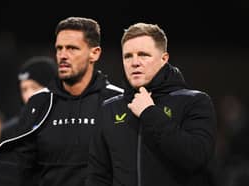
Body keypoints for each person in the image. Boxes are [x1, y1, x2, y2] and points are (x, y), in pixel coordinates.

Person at [0, 17, 123, 186]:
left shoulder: (117, 101)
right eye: (59, 49)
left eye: (72, 48)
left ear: (94, 53)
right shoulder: (39, 103)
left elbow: (129, 167)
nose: (63, 55)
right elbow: (19, 167)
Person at [86, 23, 217, 186]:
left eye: (143, 55)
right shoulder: (109, 108)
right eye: (128, 56)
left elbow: (196, 158)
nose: (134, 62)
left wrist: (149, 112)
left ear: (164, 59)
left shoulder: (194, 102)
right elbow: (98, 176)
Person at [0, 56, 57, 141]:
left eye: (35, 87)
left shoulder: (69, 123)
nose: (29, 95)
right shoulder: (11, 131)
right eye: (24, 89)